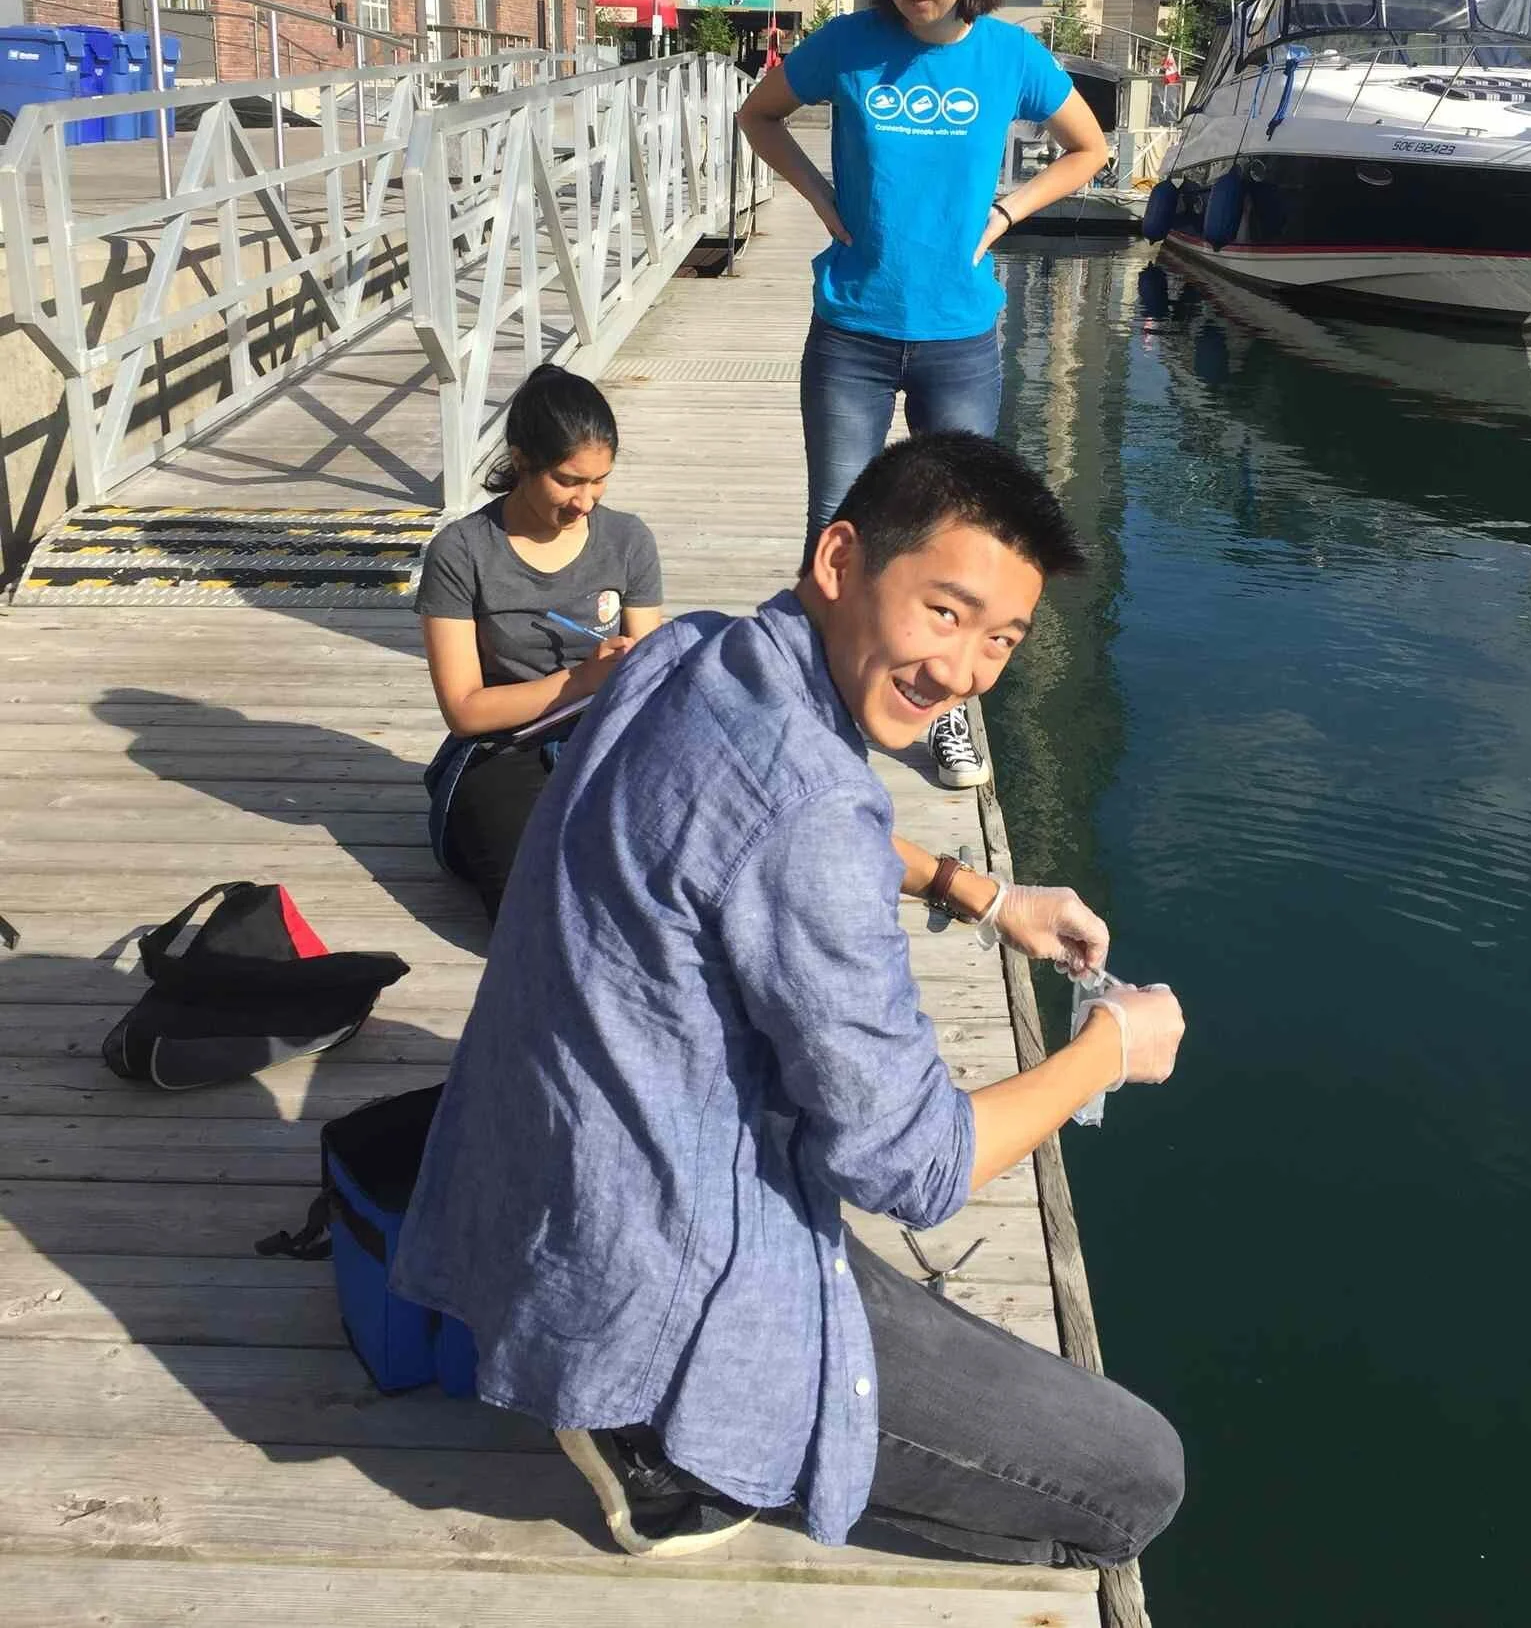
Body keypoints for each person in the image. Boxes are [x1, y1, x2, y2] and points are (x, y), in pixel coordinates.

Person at [394, 431, 1186, 1568]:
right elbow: (911, 1168)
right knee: (1131, 1483)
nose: (963, 672)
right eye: (944, 612)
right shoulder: (813, 814)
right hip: (654, 1267)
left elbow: (767, 826)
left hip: (537, 1180)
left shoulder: (696, 656)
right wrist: (1111, 1048)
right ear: (840, 559)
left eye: (1001, 638)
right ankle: (674, 1439)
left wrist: (982, 892)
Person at [736, 0, 1112, 794]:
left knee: (959, 543)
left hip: (959, 338)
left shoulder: (1008, 57)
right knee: (836, 528)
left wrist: (1009, 213)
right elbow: (760, 116)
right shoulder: (849, 46)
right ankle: (814, 711)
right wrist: (824, 201)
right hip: (853, 331)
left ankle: (943, 716)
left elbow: (1090, 147)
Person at [415, 364, 664, 922]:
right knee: (534, 908)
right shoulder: (462, 552)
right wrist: (579, 681)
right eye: (568, 481)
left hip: (608, 733)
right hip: (505, 746)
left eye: (599, 480)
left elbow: (650, 677)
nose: (585, 502)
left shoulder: (628, 540)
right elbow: (465, 711)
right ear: (521, 460)